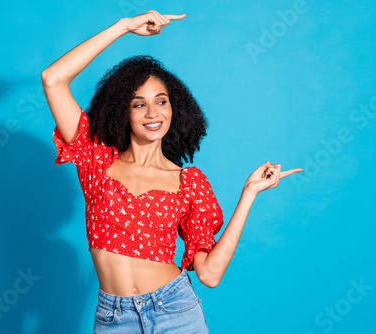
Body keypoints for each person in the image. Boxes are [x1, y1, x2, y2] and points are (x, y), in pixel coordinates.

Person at [41, 9, 304, 333]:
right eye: (139, 103)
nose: (152, 113)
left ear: (174, 107)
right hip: (113, 319)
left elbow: (209, 274)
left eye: (161, 101)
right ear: (122, 110)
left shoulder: (189, 182)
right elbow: (53, 78)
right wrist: (123, 26)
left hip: (175, 311)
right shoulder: (96, 158)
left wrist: (248, 194)